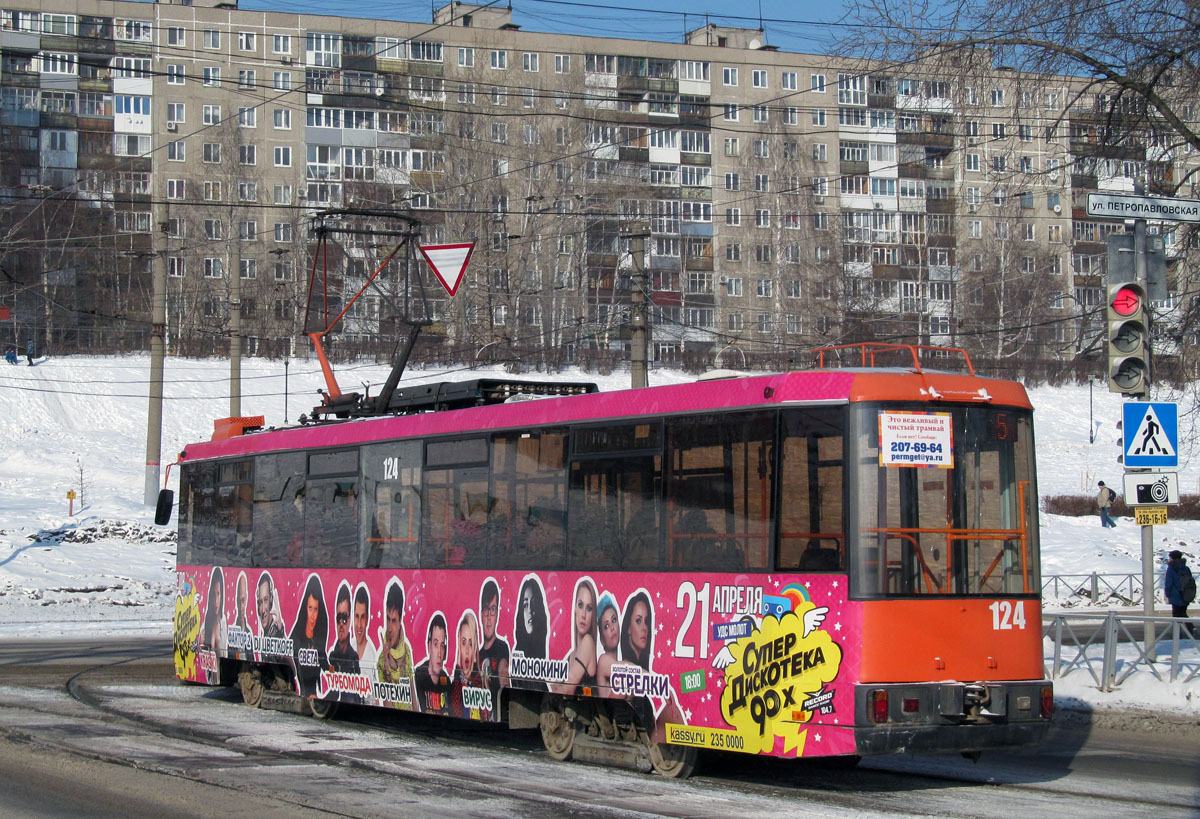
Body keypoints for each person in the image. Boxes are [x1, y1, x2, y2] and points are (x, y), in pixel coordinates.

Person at [554, 577, 598, 694]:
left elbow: (568, 689)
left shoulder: (588, 642)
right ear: (574, 608)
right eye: (580, 605)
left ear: (593, 614)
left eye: (589, 608)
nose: (583, 614)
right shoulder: (571, 655)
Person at [289, 574, 329, 700]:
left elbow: (326, 666)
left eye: (316, 609)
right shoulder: (295, 637)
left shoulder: (318, 639)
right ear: (304, 608)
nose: (312, 615)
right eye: (310, 608)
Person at [376, 581, 413, 708]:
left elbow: (414, 697)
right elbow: (387, 705)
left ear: (400, 621)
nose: (390, 628)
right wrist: (387, 668)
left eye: (394, 621)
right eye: (387, 619)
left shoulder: (407, 651)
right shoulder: (382, 658)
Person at [451, 610, 490, 719]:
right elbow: (455, 712)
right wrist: (457, 669)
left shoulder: (480, 681)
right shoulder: (455, 683)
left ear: (475, 646)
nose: (467, 650)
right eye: (463, 642)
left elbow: (486, 715)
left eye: (471, 643)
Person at [477, 579, 510, 708]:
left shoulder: (502, 647)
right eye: (486, 609)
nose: (489, 616)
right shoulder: (477, 655)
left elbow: (503, 670)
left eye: (493, 609)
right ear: (480, 614)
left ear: (497, 614)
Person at [328, 583, 362, 704]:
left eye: (344, 618)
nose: (341, 624)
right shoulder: (331, 656)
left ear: (349, 620)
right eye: (338, 618)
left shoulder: (354, 658)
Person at [513, 576, 549, 691]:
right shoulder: (515, 659)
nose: (530, 611)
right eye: (525, 605)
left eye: (534, 603)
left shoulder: (545, 653)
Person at [413, 613, 452, 715]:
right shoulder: (419, 675)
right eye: (436, 644)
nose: (439, 653)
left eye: (442, 645)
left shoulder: (446, 680)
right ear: (429, 646)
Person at [353, 584, 378, 705]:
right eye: (357, 617)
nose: (359, 624)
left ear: (367, 619)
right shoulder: (349, 647)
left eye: (362, 617)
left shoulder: (372, 655)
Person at [1164, 550, 1197, 636]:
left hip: (1176, 596)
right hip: (1186, 595)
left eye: (1170, 558)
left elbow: (1169, 583)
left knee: (1176, 615)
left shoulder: (1171, 569)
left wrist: (1167, 594)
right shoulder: (1186, 568)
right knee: (1183, 613)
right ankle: (1190, 629)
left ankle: (1178, 634)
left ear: (1173, 558)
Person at [595, 592, 620, 697]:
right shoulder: (603, 661)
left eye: (614, 620)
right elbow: (632, 672)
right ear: (602, 640)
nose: (612, 628)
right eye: (606, 626)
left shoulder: (623, 664)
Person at [201, 567, 227, 657]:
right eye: (213, 594)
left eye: (218, 594)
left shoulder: (223, 625)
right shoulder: (205, 625)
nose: (216, 601)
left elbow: (225, 654)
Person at [256, 572, 286, 641]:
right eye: (260, 602)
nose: (263, 610)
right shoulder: (266, 634)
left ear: (271, 601)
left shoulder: (277, 633)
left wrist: (281, 631)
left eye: (266, 600)